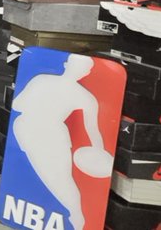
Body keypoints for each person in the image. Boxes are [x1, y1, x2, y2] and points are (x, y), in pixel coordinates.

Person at [11, 54, 111, 230]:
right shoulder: (83, 96)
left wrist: (99, 156)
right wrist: (99, 152)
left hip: (35, 130)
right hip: (38, 132)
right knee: (57, 179)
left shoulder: (42, 81)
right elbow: (93, 132)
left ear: (67, 64)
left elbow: (18, 105)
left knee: (59, 179)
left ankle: (75, 216)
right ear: (86, 72)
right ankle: (74, 215)